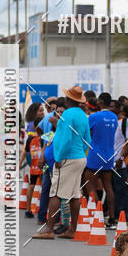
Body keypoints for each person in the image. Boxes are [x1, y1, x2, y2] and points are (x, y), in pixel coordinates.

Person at [33, 86, 91, 239]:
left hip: (67, 158)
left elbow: (65, 140)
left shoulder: (67, 115)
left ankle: (49, 229)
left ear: (68, 100)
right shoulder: (83, 115)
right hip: (79, 157)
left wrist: (58, 158)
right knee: (74, 195)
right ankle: (72, 229)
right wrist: (79, 152)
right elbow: (87, 140)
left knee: (55, 193)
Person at [85, 91, 118, 226]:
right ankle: (111, 217)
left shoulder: (94, 117)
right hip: (109, 155)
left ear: (100, 102)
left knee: (90, 187)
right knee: (108, 188)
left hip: (95, 155)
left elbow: (85, 132)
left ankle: (96, 216)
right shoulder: (114, 117)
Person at [112, 101, 128, 221]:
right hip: (108, 162)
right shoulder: (111, 122)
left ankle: (123, 217)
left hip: (119, 163)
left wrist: (122, 158)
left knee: (121, 191)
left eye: (112, 107)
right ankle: (113, 216)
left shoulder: (126, 123)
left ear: (118, 109)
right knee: (112, 190)